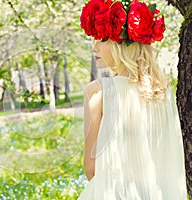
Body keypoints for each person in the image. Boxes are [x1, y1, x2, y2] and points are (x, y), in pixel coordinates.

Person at [78, 0, 188, 199]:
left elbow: (91, 167)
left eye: (102, 39)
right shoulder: (163, 92)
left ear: (123, 46)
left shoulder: (97, 93)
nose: (94, 47)